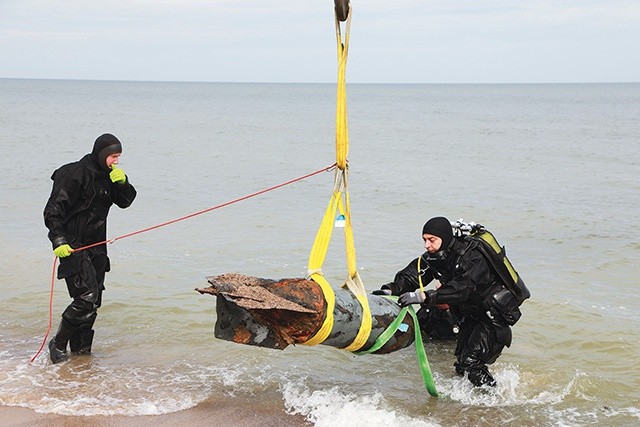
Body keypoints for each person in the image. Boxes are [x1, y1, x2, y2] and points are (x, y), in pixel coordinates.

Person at [373, 216, 518, 387]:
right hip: (469, 316)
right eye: (424, 240)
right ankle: (469, 407)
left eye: (431, 240)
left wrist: (425, 297)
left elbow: (462, 289)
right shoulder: (437, 257)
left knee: (471, 363)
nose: (427, 245)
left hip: (491, 317)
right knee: (461, 367)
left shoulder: (472, 258)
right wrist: (390, 289)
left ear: (445, 238)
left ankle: (497, 402)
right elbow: (412, 276)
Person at [44, 133, 137, 364]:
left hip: (98, 247)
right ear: (102, 154)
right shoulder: (73, 173)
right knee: (86, 297)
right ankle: (57, 343)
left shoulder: (110, 176)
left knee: (94, 303)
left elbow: (125, 202)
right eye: (113, 156)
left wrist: (122, 183)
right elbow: (53, 211)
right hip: (72, 246)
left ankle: (81, 354)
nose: (116, 161)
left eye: (118, 157)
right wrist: (58, 241)